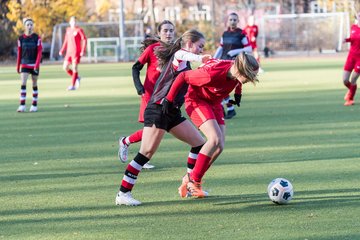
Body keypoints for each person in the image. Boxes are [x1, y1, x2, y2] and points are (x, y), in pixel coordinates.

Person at [115, 29, 212, 206]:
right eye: (199, 46)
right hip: (158, 110)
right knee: (146, 153)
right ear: (189, 44)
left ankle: (189, 184)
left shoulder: (185, 62)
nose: (200, 50)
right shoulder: (179, 56)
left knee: (199, 143)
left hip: (172, 112)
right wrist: (200, 58)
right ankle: (123, 194)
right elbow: (182, 53)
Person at [163, 53, 259, 197]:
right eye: (249, 76)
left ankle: (189, 179)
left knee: (219, 146)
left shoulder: (235, 70)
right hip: (196, 101)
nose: (250, 80)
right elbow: (182, 77)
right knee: (214, 139)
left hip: (214, 102)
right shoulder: (210, 74)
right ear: (240, 71)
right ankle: (193, 181)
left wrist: (238, 94)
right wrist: (168, 100)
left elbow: (238, 81)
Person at [118, 20, 176, 169]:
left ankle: (127, 143)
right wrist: (139, 87)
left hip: (166, 96)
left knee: (155, 128)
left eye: (171, 30)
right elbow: (136, 67)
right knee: (150, 128)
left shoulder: (176, 51)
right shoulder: (152, 49)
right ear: (159, 33)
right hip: (150, 94)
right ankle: (129, 145)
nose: (168, 33)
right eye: (165, 30)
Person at [214, 12, 252, 119]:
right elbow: (221, 47)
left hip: (234, 63)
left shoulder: (241, 33)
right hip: (223, 61)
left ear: (238, 21)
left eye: (235, 20)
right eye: (231, 19)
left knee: (223, 86)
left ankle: (224, 107)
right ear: (228, 21)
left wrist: (235, 51)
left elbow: (248, 49)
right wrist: (213, 58)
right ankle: (228, 108)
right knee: (221, 86)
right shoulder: (225, 33)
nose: (232, 21)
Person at [16, 18, 43, 113]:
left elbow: (39, 52)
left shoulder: (37, 38)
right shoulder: (20, 39)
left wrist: (36, 65)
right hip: (24, 64)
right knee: (23, 83)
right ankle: (22, 105)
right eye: (28, 25)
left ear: (33, 26)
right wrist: (18, 65)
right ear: (24, 26)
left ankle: (34, 105)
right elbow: (19, 53)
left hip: (34, 64)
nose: (30, 26)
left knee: (34, 84)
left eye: (31, 24)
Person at [59, 16, 87, 91]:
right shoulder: (68, 30)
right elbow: (66, 41)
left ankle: (72, 85)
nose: (74, 23)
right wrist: (62, 50)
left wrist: (82, 50)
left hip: (76, 52)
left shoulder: (79, 30)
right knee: (65, 67)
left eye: (75, 21)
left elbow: (84, 39)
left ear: (76, 22)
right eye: (72, 21)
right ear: (70, 22)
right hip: (69, 52)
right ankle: (77, 77)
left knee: (74, 68)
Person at [342, 12, 360, 106]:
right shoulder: (353, 27)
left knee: (353, 80)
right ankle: (351, 90)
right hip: (351, 57)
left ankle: (350, 99)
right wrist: (347, 40)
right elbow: (353, 38)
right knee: (345, 80)